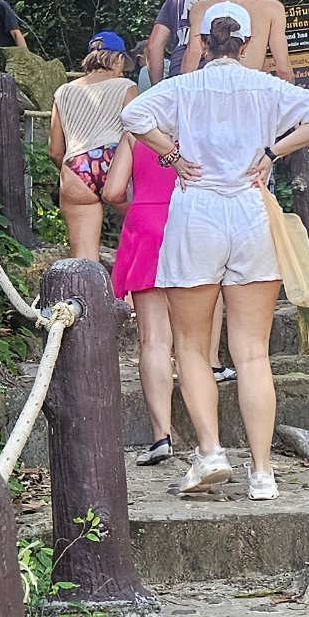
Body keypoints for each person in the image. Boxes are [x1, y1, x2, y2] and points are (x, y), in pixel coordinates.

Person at [119, 1, 309, 499]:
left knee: (192, 347)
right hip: (250, 213)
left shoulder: (183, 87)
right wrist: (272, 152)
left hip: (196, 215)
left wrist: (171, 155)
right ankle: (262, 473)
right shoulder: (265, 86)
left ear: (202, 42)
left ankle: (211, 452)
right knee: (253, 353)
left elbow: (133, 115)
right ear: (246, 44)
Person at [101, 127, 181, 464]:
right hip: (191, 222)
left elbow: (113, 191)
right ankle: (209, 442)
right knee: (192, 342)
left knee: (154, 340)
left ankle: (162, 435)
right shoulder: (198, 123)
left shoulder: (137, 132)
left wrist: (139, 207)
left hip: (146, 222)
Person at [49, 33, 136, 259]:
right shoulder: (126, 86)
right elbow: (137, 133)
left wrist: (71, 173)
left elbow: (55, 150)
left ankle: (88, 283)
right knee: (141, 234)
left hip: (76, 166)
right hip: (113, 162)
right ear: (118, 59)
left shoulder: (63, 91)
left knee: (84, 258)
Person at [192, 0, 293, 80]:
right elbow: (283, 69)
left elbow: (193, 54)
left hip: (211, 82)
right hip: (251, 85)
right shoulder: (272, 8)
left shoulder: (201, 7)